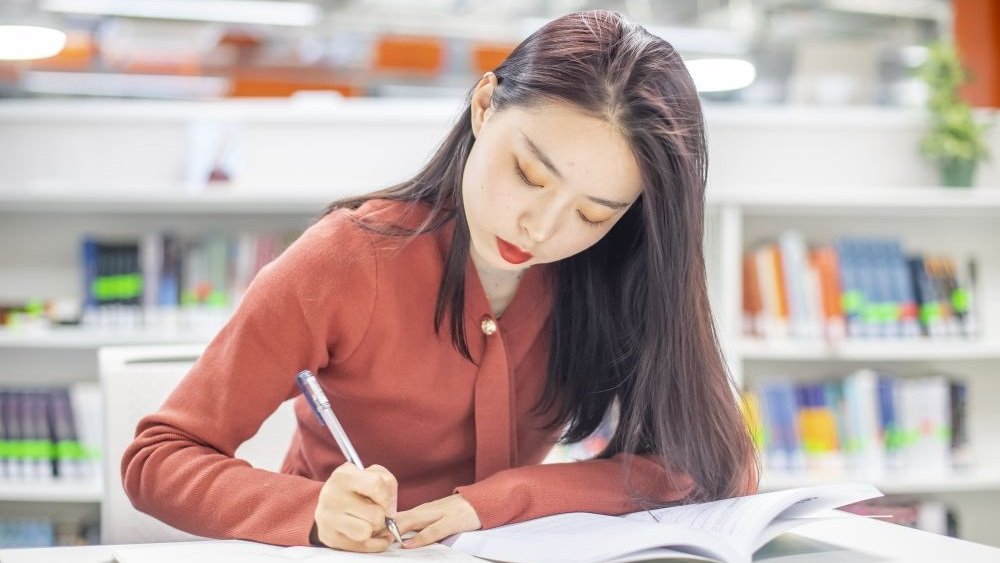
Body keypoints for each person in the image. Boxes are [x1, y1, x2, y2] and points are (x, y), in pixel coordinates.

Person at [122, 9, 758, 554]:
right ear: (484, 106)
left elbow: (711, 467)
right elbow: (158, 458)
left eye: (593, 213)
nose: (541, 227)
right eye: (529, 175)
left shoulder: (607, 270)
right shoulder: (347, 260)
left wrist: (497, 502)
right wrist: (311, 513)